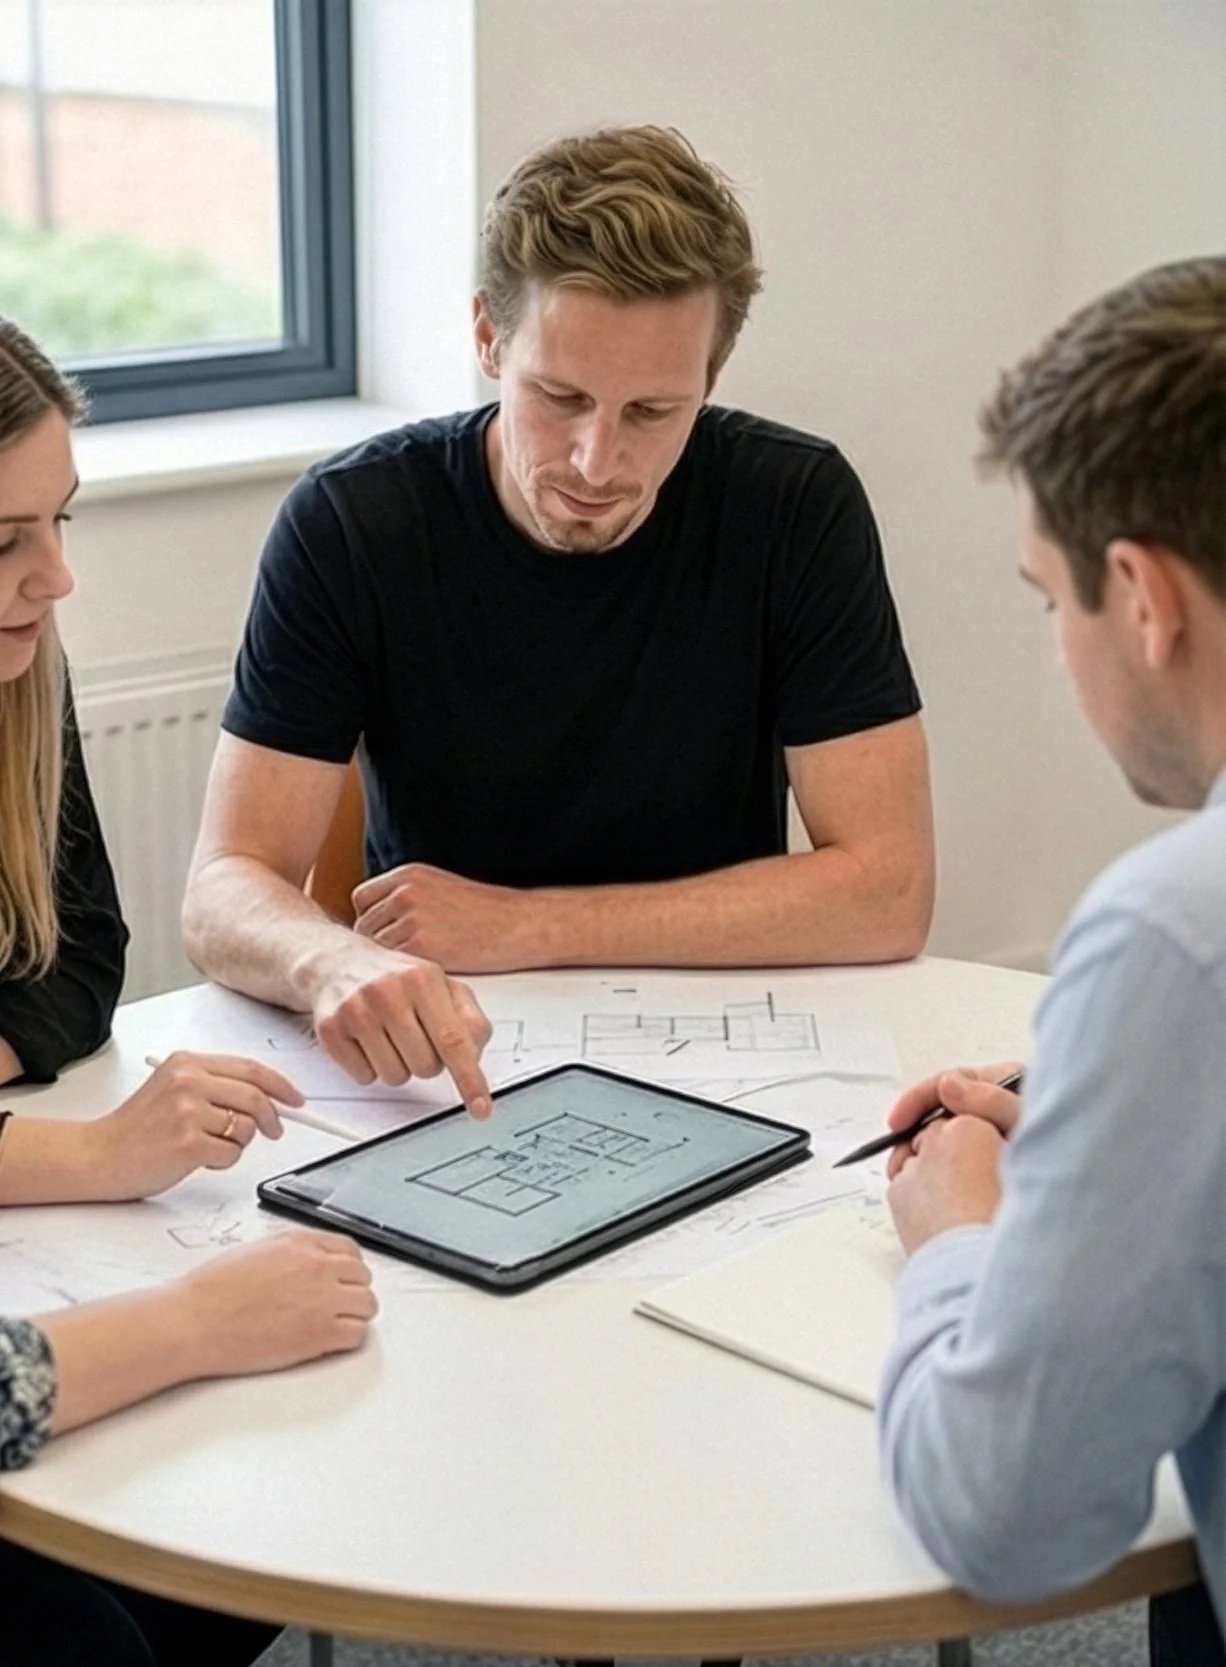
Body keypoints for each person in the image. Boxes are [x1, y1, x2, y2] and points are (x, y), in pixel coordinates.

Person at [182, 124, 935, 1111]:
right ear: (488, 338)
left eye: (653, 412)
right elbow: (223, 886)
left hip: (731, 1031)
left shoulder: (793, 504)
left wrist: (531, 924)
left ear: (713, 374)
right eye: (558, 395)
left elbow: (887, 892)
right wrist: (327, 960)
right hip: (449, 1038)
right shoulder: (351, 521)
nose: (594, 462)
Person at [0, 315, 379, 1667]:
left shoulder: (18, 675)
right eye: (5, 540)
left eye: (61, 520)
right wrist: (191, 1320)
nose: (58, 578)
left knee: (240, 1542)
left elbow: (79, 953)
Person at [876, 256, 1226, 1665]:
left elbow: (1002, 1511)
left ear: (1140, 595)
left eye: (1046, 599)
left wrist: (956, 1228)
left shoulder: (1174, 928)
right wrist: (1112, 1117)